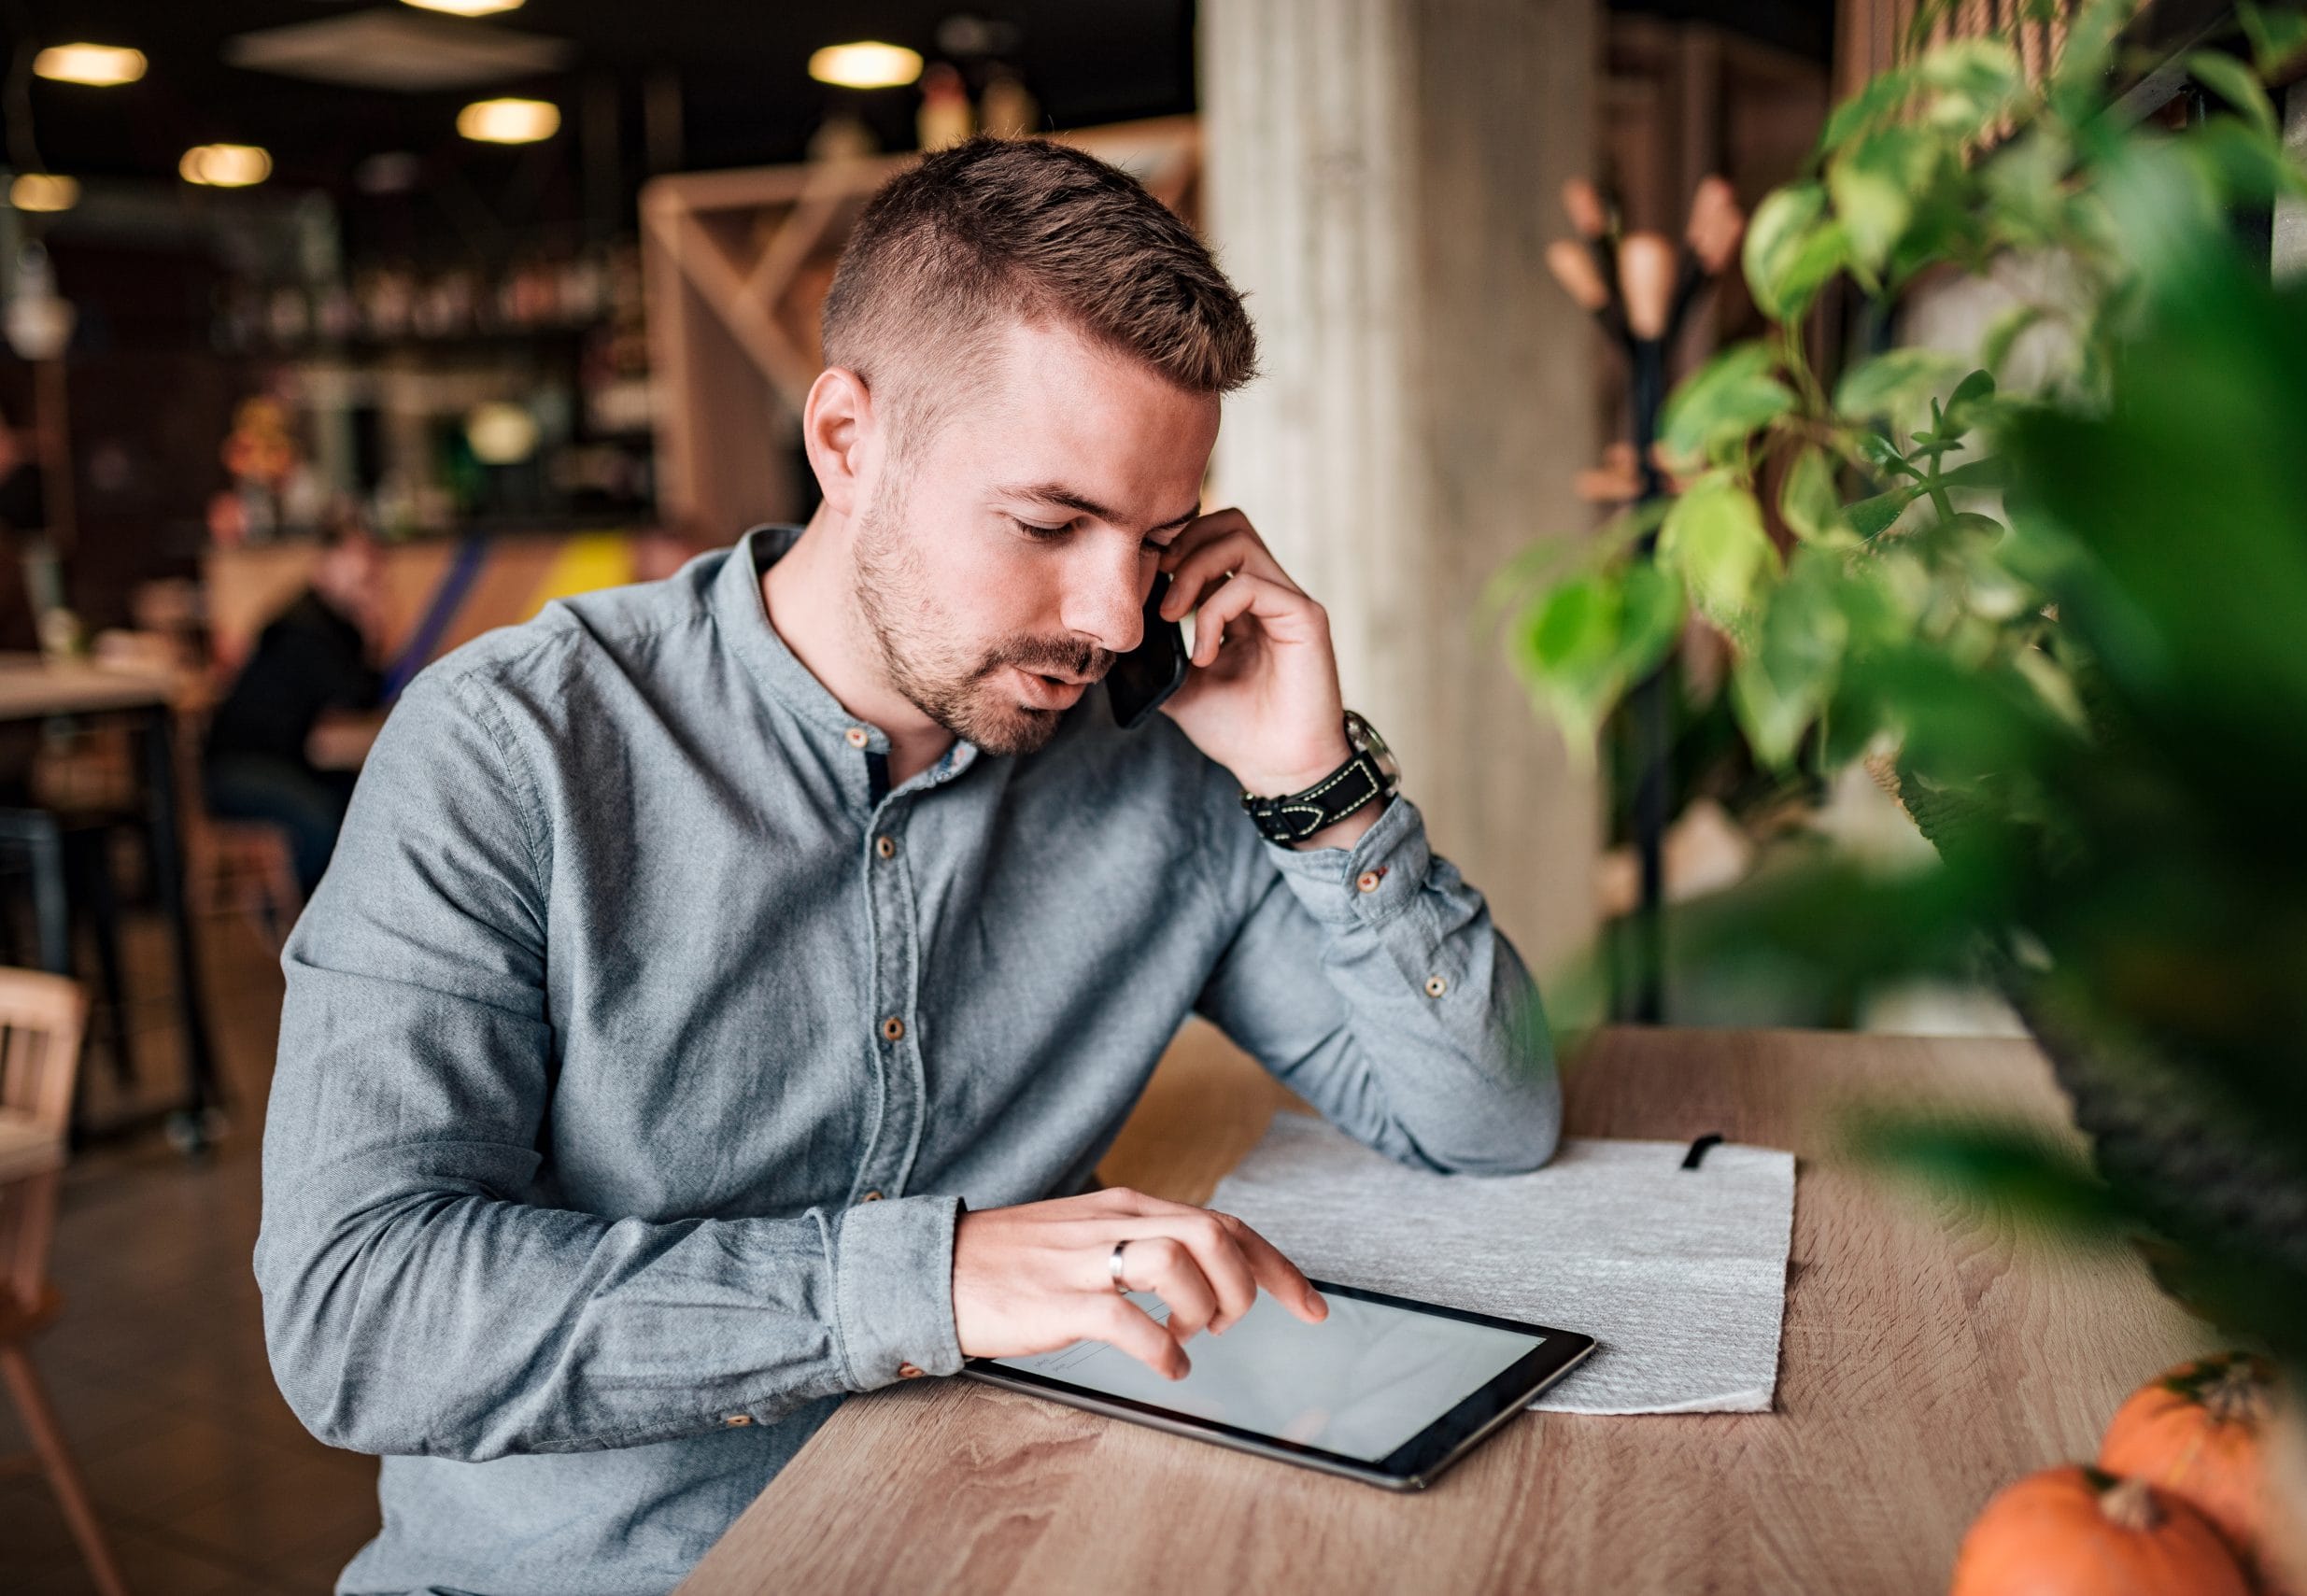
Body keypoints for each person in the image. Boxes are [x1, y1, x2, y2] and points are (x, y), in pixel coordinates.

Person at [255, 138, 1559, 1595]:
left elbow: (1488, 1119)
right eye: (1051, 523)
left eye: (1156, 538)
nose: (1117, 619)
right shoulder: (511, 751)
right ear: (846, 440)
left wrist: (1317, 787)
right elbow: (358, 1316)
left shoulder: (1155, 765)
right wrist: (931, 1278)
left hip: (1011, 1538)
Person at [202, 528, 386, 893]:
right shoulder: (305, 627)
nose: (368, 574)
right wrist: (373, 623)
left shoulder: (327, 623)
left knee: (372, 798)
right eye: (355, 563)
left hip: (279, 761)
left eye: (371, 563)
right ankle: (315, 929)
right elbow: (358, 694)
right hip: (237, 770)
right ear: (323, 568)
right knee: (322, 824)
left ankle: (356, 915)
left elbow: (365, 692)